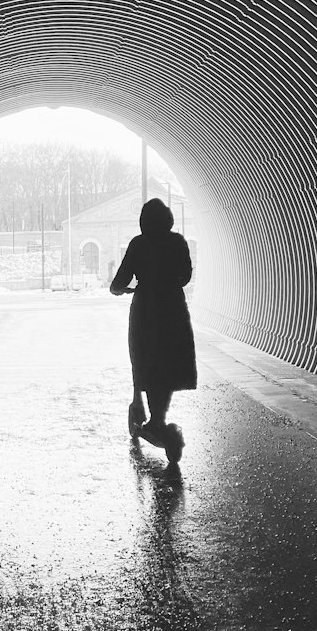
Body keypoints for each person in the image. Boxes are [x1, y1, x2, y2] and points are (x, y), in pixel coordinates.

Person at [110, 198, 197, 462]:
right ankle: (159, 418)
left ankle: (146, 411)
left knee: (144, 359)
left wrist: (123, 289)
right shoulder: (178, 242)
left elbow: (118, 282)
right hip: (173, 309)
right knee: (168, 363)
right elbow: (185, 277)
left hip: (146, 310)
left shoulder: (138, 244)